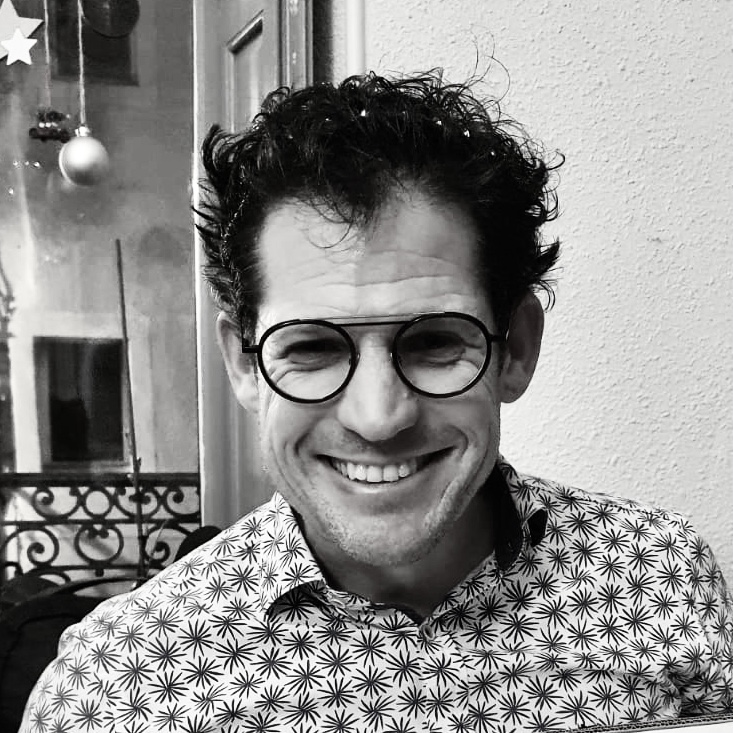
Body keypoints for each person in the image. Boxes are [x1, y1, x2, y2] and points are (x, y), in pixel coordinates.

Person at [21, 71, 733, 733]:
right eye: (311, 349)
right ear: (244, 363)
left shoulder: (661, 578)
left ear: (514, 348)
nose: (378, 416)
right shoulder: (111, 690)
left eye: (434, 342)